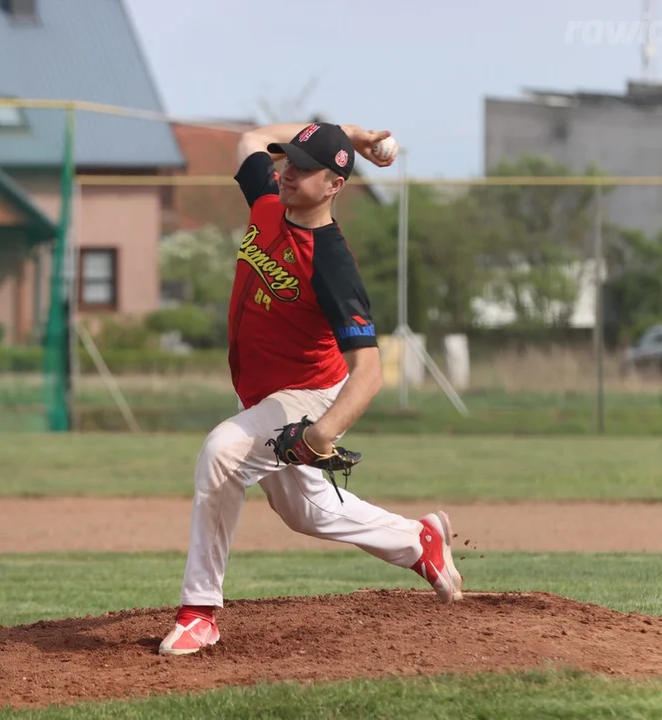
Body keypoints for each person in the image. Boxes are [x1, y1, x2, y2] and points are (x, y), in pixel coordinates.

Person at [158, 121, 463, 656]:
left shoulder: (332, 262)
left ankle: (199, 612)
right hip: (263, 395)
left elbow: (369, 373)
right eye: (288, 161)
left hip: (308, 396)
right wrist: (346, 134)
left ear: (334, 186)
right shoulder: (269, 204)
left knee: (222, 453)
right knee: (309, 513)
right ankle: (420, 541)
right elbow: (251, 138)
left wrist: (321, 433)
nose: (286, 172)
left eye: (303, 167)